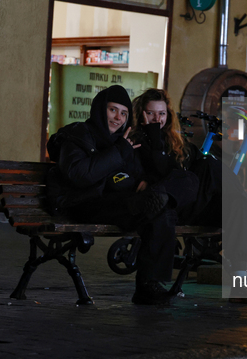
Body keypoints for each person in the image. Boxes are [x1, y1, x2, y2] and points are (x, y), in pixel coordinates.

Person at [129, 88, 247, 304]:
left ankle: (240, 282)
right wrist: (152, 134)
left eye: (161, 114)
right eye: (151, 113)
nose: (157, 119)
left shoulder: (176, 141)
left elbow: (190, 164)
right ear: (141, 114)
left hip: (192, 204)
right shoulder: (137, 141)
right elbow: (159, 170)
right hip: (167, 206)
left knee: (235, 203)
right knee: (208, 165)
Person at [47, 85, 197, 305]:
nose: (118, 118)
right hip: (83, 203)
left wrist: (145, 183)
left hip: (115, 203)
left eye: (124, 113)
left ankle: (148, 286)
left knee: (168, 203)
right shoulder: (79, 134)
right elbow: (80, 175)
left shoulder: (122, 140)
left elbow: (131, 175)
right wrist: (119, 153)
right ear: (100, 109)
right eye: (113, 110)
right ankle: (148, 282)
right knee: (156, 207)